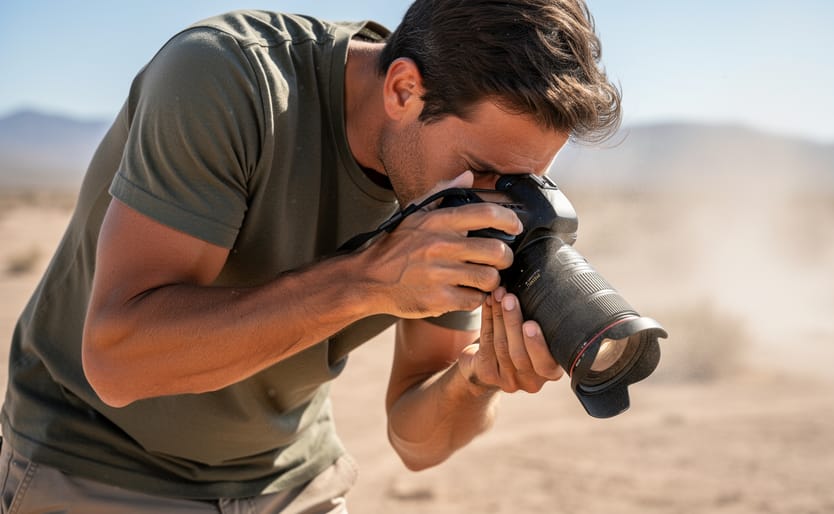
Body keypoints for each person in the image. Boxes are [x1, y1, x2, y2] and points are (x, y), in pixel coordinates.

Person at [0, 0, 621, 512]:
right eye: (485, 170)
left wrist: (475, 377)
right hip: (96, 467)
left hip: (289, 479)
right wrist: (368, 281)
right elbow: (118, 361)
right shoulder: (230, 80)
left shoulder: (462, 192)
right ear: (404, 89)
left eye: (524, 183)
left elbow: (416, 441)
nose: (497, 205)